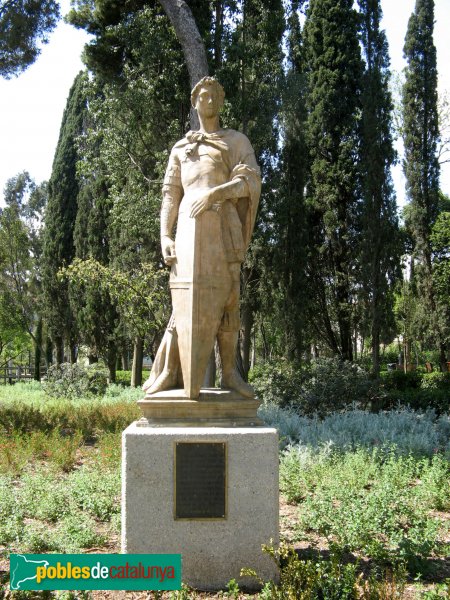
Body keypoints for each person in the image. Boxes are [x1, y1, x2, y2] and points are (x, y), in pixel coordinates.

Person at [143, 77, 261, 398]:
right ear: (194, 103)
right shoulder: (181, 148)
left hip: (223, 232)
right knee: (183, 300)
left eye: (214, 96)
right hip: (186, 234)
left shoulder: (236, 142)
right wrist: (164, 236)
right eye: (202, 96)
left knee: (229, 300)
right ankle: (169, 371)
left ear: (221, 102)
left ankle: (230, 374)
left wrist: (215, 194)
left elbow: (249, 183)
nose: (208, 101)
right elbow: (170, 194)